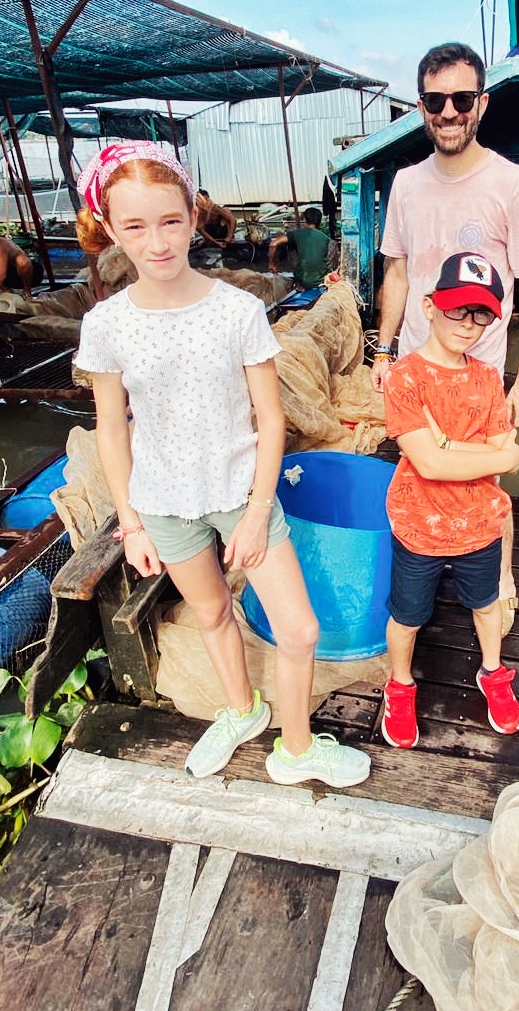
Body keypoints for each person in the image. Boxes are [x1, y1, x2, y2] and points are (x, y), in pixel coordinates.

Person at [72, 140, 370, 790]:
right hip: (162, 503)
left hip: (241, 491)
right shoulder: (107, 325)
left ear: (192, 212)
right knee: (209, 613)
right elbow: (112, 433)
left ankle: (295, 750)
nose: (156, 243)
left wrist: (260, 511)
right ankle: (242, 710)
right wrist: (131, 523)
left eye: (170, 220)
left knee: (297, 629)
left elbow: (271, 419)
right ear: (111, 230)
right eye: (135, 226)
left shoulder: (236, 310)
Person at [369, 41, 519, 621]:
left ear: (482, 104)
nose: (448, 112)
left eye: (462, 98)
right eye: (435, 100)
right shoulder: (405, 184)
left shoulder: (513, 183)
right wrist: (382, 349)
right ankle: (421, 579)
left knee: (488, 479)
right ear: (421, 105)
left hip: (485, 371)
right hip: (421, 369)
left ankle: (499, 578)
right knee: (421, 475)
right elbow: (397, 272)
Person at [380, 252, 519, 749]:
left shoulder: (487, 377)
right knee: (408, 615)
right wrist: (489, 457)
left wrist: (447, 443)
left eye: (481, 313)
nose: (468, 323)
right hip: (419, 525)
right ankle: (400, 685)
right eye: (457, 309)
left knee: (486, 606)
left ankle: (492, 672)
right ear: (429, 305)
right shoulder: (405, 377)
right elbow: (433, 466)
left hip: (479, 523)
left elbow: (503, 449)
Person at [268, 207, 330, 288]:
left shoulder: (296, 233)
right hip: (321, 281)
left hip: (303, 280)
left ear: (304, 219)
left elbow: (273, 244)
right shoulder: (325, 238)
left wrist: (271, 264)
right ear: (319, 221)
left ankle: (299, 285)